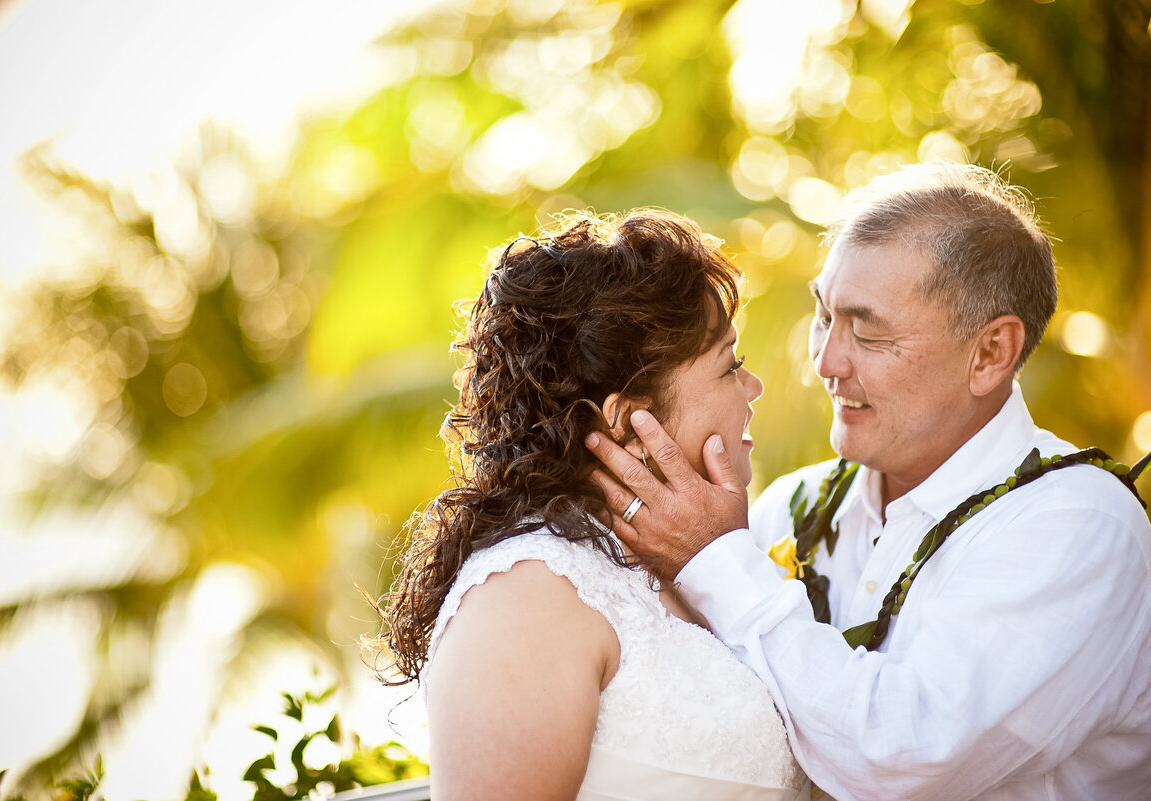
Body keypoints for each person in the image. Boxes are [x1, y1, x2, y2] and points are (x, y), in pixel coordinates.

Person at [586, 163, 1151, 800]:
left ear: (991, 353)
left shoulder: (1080, 526)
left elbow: (903, 759)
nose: (826, 362)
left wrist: (714, 562)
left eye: (869, 329)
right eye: (824, 316)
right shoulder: (789, 508)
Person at [372, 209, 811, 800]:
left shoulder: (675, 562)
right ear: (629, 420)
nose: (753, 387)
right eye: (729, 366)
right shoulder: (526, 597)